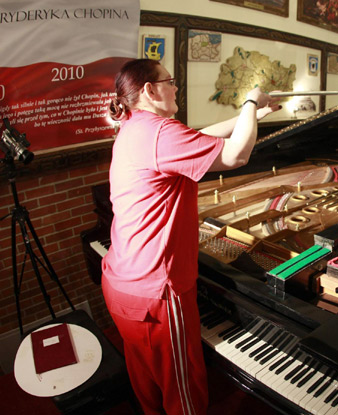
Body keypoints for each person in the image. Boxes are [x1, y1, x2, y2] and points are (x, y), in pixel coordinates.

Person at [101, 58, 280, 415]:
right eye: (171, 81)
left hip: (122, 285)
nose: (177, 87)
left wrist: (252, 117)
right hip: (157, 293)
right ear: (151, 91)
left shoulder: (137, 127)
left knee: (149, 387)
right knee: (184, 398)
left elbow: (202, 137)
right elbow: (237, 154)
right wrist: (247, 102)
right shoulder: (159, 132)